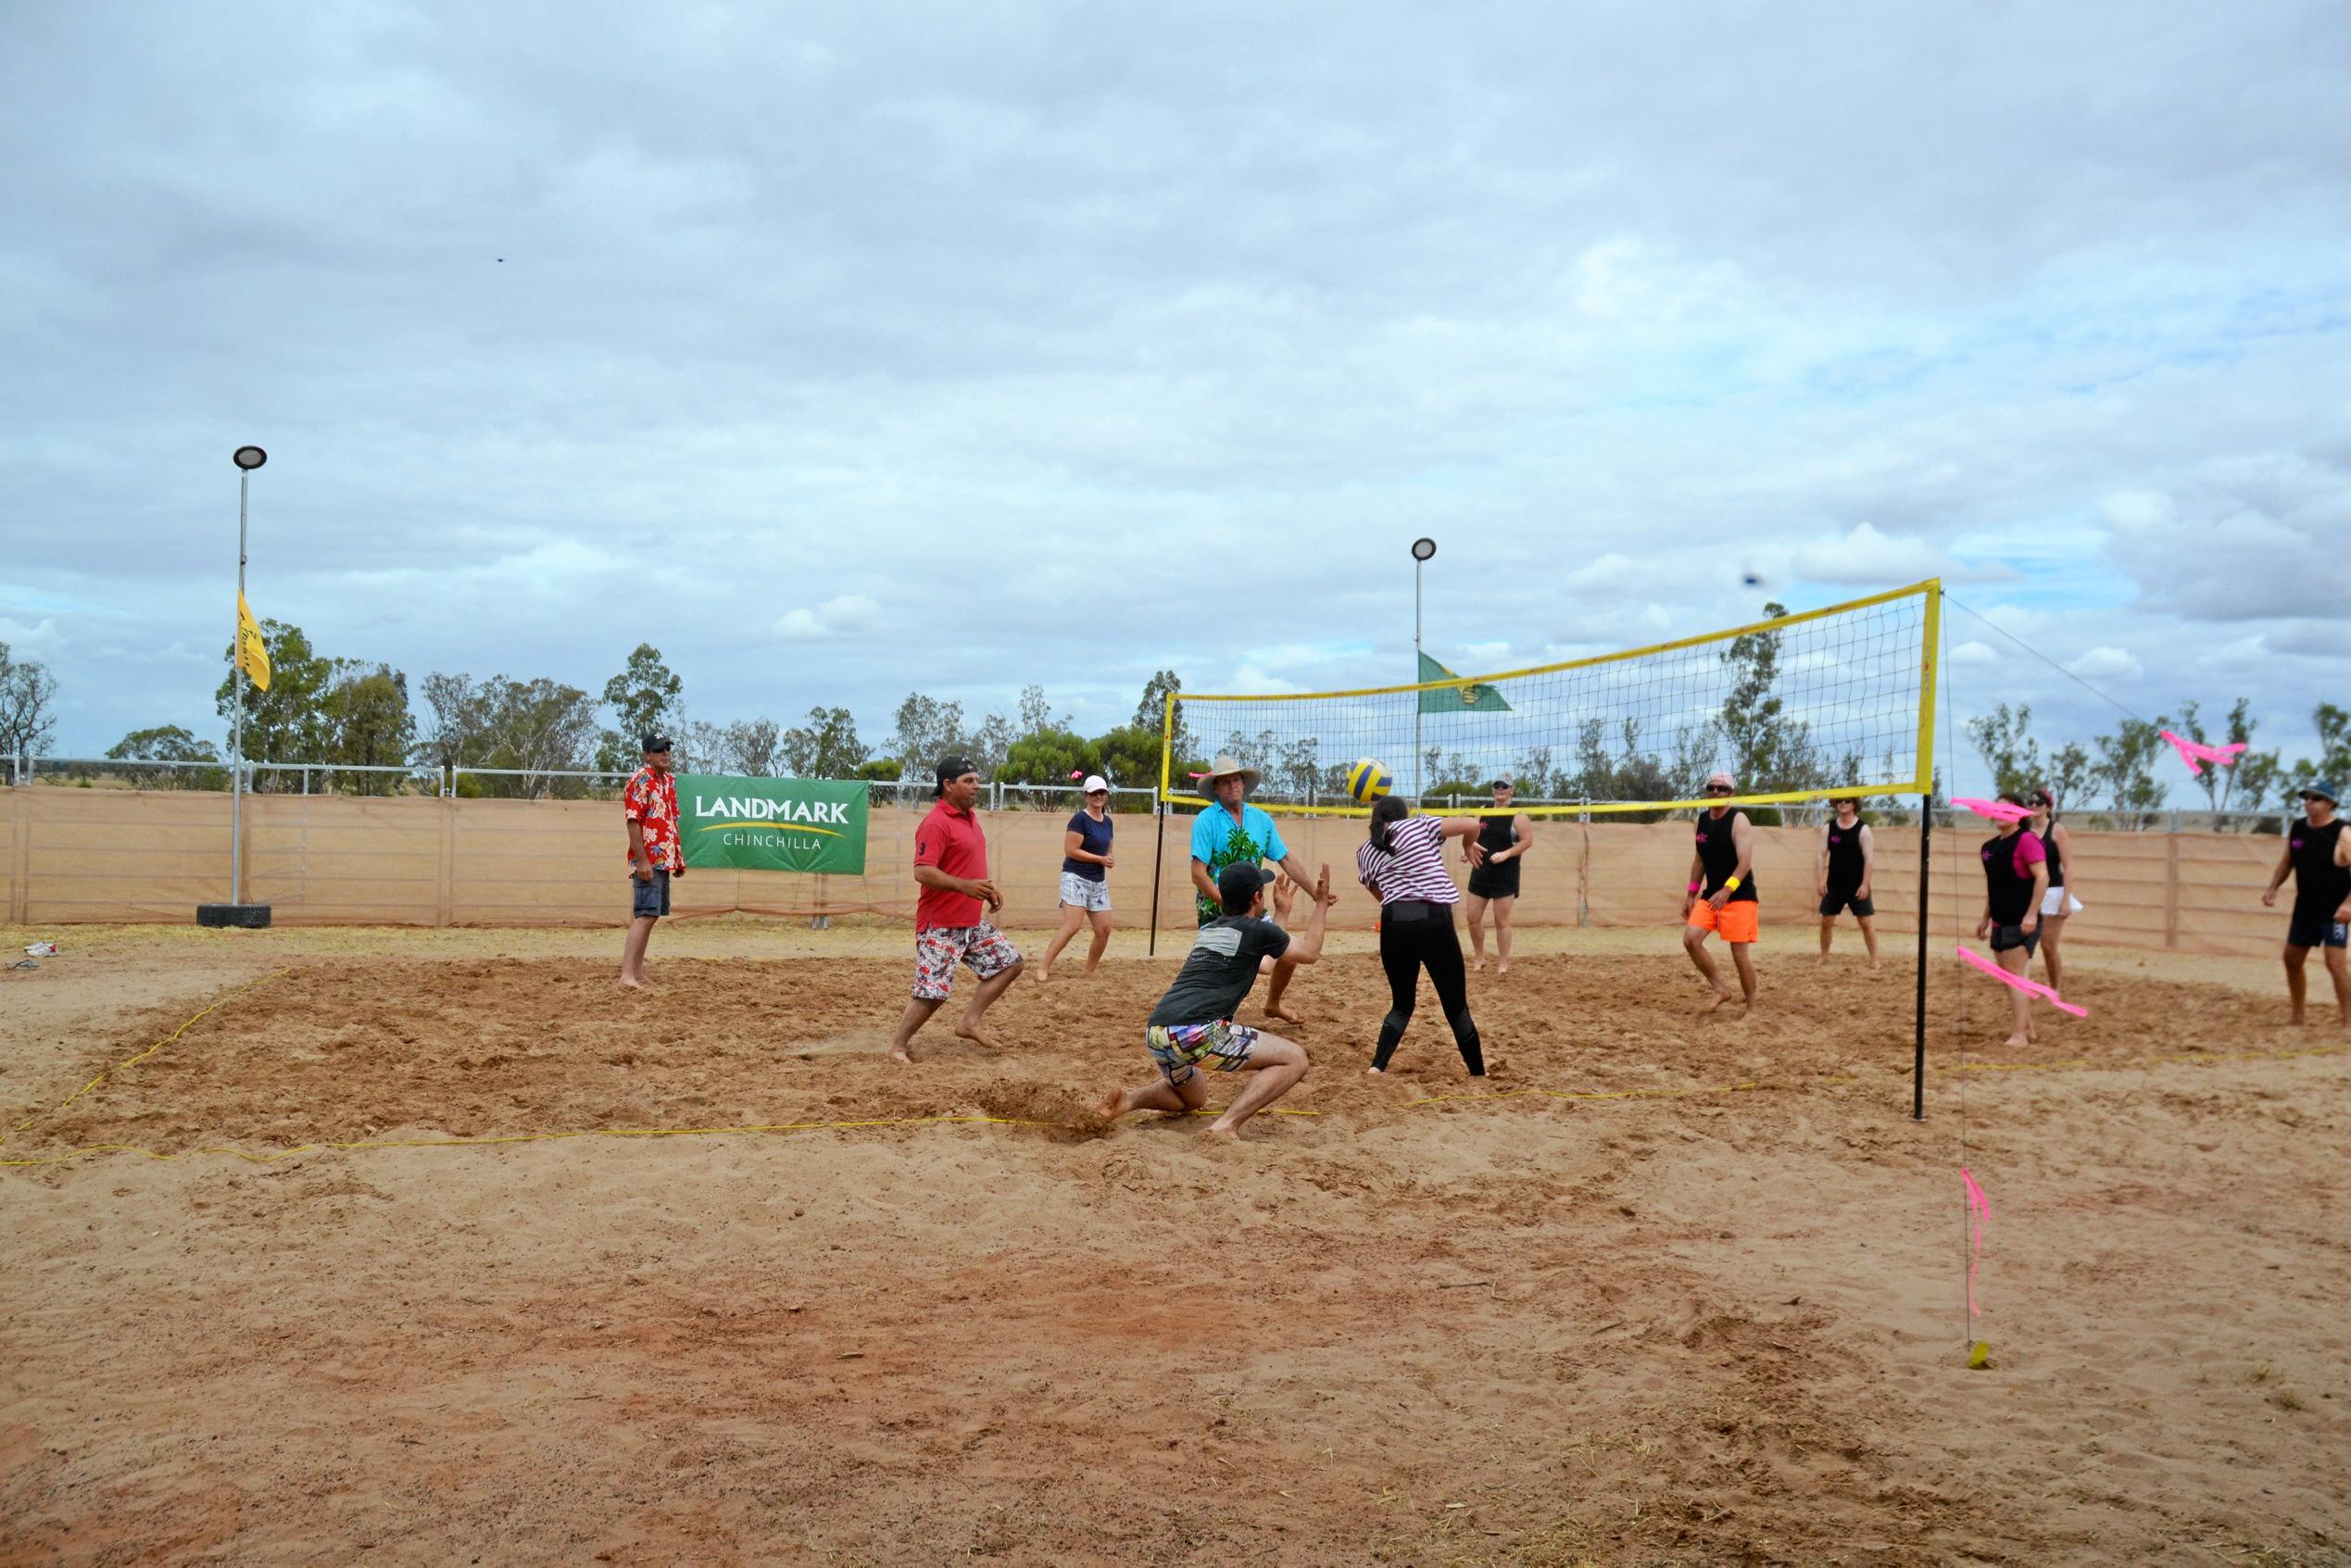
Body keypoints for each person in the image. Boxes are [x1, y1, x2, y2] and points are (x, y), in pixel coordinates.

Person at [1097, 860, 1331, 1141]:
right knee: (1296, 1059)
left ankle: (1129, 1101)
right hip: (1196, 1032)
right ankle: (1226, 1125)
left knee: (1193, 1099)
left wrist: (1282, 913)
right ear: (1256, 897)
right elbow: (1310, 952)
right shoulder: (1255, 930)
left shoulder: (1211, 929)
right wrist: (1320, 904)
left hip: (1158, 1032)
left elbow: (1267, 964)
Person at [888, 757, 1023, 1063]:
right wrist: (965, 887)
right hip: (940, 924)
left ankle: (969, 1022)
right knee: (932, 993)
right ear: (947, 786)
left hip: (970, 921)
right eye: (969, 781)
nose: (977, 786)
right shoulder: (935, 823)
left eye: (976, 780)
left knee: (1011, 963)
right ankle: (898, 1045)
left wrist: (987, 892)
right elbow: (922, 871)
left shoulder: (970, 818)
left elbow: (968, 868)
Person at [1188, 754, 1333, 1022]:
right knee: (1247, 964)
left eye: (1236, 780)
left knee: (1286, 950)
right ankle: (1214, 1014)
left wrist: (1315, 892)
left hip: (1253, 905)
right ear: (1216, 789)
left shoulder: (1261, 820)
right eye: (1226, 782)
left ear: (1243, 784)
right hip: (1216, 910)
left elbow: (1285, 858)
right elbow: (1198, 874)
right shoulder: (1206, 821)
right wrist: (1228, 904)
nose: (1233, 785)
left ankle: (1273, 1005)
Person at [1359, 796, 1489, 1077]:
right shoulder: (1419, 825)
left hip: (1394, 923)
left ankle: (1376, 1067)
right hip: (1433, 919)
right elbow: (1472, 823)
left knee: (1402, 1004)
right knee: (1455, 1007)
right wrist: (1468, 844)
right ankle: (1479, 1074)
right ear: (1404, 815)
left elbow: (1379, 894)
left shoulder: (1366, 850)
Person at [2262, 781, 2351, 1028]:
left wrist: (2349, 904)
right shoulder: (2298, 828)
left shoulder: (2343, 831)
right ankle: (2298, 1016)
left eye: (2316, 799)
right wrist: (2273, 887)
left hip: (2334, 912)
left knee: (2335, 964)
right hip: (2306, 908)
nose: (2309, 802)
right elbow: (2287, 861)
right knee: (2291, 958)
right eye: (2307, 798)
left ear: (2330, 803)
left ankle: (2349, 1021)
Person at [1974, 790, 2050, 1048]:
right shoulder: (1989, 848)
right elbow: (1994, 886)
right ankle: (2026, 1028)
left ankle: (2019, 1035)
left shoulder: (2027, 841)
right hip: (1999, 920)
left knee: (2015, 976)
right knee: (2009, 976)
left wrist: (2031, 914)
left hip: (2021, 920)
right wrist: (1985, 918)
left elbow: (2043, 877)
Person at [1682, 771, 1760, 1014]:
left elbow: (1744, 863)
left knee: (1739, 954)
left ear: (1731, 794)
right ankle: (1720, 989)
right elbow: (1699, 860)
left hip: (1739, 895)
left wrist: (1727, 891)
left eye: (1722, 788)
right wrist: (1691, 894)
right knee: (1691, 939)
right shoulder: (1701, 821)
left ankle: (1752, 1007)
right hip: (1711, 895)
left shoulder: (1739, 821)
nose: (1715, 791)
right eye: (1712, 787)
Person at [620, 733, 684, 989]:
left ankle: (637, 971)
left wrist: (677, 858)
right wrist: (642, 860)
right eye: (659, 750)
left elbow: (670, 821)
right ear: (647, 755)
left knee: (652, 914)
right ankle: (627, 974)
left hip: (664, 858)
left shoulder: (669, 781)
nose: (665, 753)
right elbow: (633, 821)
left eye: (667, 748)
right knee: (645, 914)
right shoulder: (640, 780)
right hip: (649, 859)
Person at [1037, 774, 1115, 983]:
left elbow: (1108, 849)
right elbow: (1071, 850)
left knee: (1104, 929)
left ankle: (1089, 971)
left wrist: (1108, 859)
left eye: (1102, 792)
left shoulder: (1108, 822)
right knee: (1072, 925)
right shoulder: (1080, 819)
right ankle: (1043, 968)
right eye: (1094, 793)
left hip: (1097, 880)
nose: (1098, 796)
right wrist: (1100, 859)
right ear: (1086, 796)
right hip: (1075, 876)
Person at [1465, 777, 1534, 973]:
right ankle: (1480, 957)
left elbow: (1527, 841)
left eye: (1505, 786)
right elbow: (1472, 835)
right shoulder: (1482, 810)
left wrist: (1506, 854)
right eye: (1497, 786)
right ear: (1492, 790)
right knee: (1472, 918)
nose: (1500, 789)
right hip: (1481, 870)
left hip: (1505, 874)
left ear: (1512, 790)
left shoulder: (1518, 815)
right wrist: (1467, 849)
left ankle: (1503, 963)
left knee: (1501, 920)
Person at [2023, 787, 2084, 996]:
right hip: (2031, 893)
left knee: (2048, 944)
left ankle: (2055, 989)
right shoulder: (2025, 832)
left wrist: (2066, 899)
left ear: (2048, 807)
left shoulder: (2057, 830)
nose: (2033, 806)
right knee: (2024, 944)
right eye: (2030, 802)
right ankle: (2023, 985)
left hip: (2054, 893)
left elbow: (2068, 866)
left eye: (2038, 803)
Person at [1815, 796, 1878, 968]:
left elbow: (1869, 858)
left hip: (1857, 885)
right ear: (1835, 804)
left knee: (1865, 922)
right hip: (1834, 885)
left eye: (1847, 800)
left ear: (1854, 804)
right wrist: (1820, 880)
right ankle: (1824, 956)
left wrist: (1865, 884)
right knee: (1826, 921)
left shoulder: (1863, 829)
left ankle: (1874, 959)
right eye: (1840, 801)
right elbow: (1820, 855)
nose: (1843, 803)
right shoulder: (1829, 829)